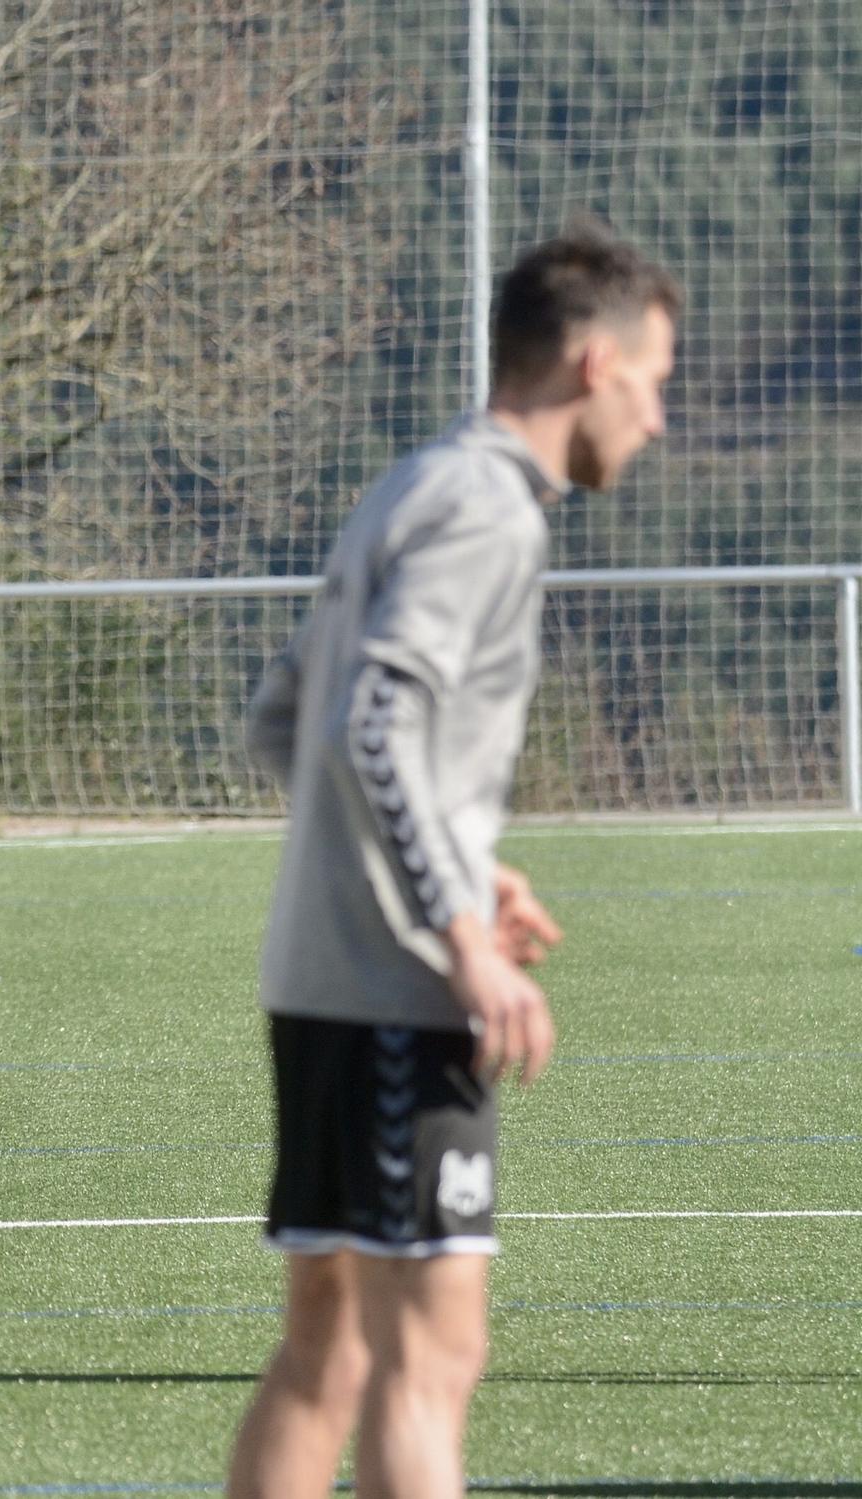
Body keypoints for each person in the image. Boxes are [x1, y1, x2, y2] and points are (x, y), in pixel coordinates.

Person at [227, 229, 679, 1496]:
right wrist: (459, 935)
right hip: (393, 1001)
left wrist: (465, 872)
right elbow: (369, 719)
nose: (657, 419)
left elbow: (284, 716)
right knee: (428, 1360)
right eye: (653, 382)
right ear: (592, 363)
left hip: (321, 980)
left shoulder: (411, 483)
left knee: (325, 1350)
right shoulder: (486, 509)